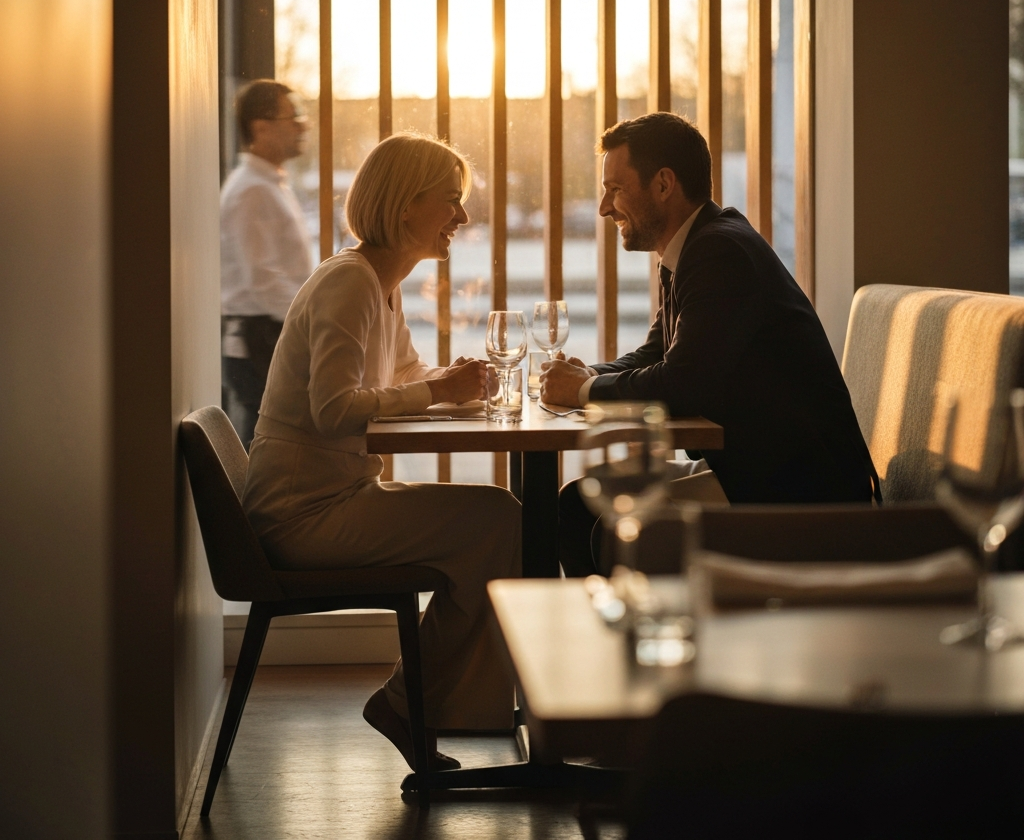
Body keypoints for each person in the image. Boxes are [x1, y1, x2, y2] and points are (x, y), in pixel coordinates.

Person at [241, 132, 521, 771]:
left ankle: (425, 703)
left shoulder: (378, 283)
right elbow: (335, 409)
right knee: (500, 521)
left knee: (500, 517)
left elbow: (399, 380)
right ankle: (417, 703)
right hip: (303, 515)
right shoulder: (350, 284)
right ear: (404, 205)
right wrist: (437, 390)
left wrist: (458, 387)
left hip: (331, 497)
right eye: (450, 201)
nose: (463, 217)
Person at [542, 112, 878, 577]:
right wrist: (591, 376)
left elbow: (683, 385)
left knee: (613, 525)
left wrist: (581, 391)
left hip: (799, 491)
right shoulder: (693, 246)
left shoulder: (720, 252)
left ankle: (636, 639)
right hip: (755, 471)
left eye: (616, 189)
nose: (604, 207)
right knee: (574, 507)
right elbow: (659, 353)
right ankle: (609, 640)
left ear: (663, 184)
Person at [221, 79, 314, 449]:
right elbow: (263, 280)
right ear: (260, 127)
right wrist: (313, 322)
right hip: (261, 339)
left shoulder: (269, 185)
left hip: (269, 334)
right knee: (265, 450)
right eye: (293, 116)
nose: (303, 124)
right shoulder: (251, 190)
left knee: (268, 448)